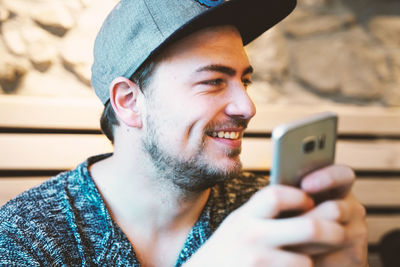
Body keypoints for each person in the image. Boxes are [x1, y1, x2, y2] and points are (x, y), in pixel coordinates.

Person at [0, 0, 368, 266]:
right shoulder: (30, 236)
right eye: (212, 81)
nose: (247, 107)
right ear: (129, 101)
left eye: (245, 80)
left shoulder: (268, 211)